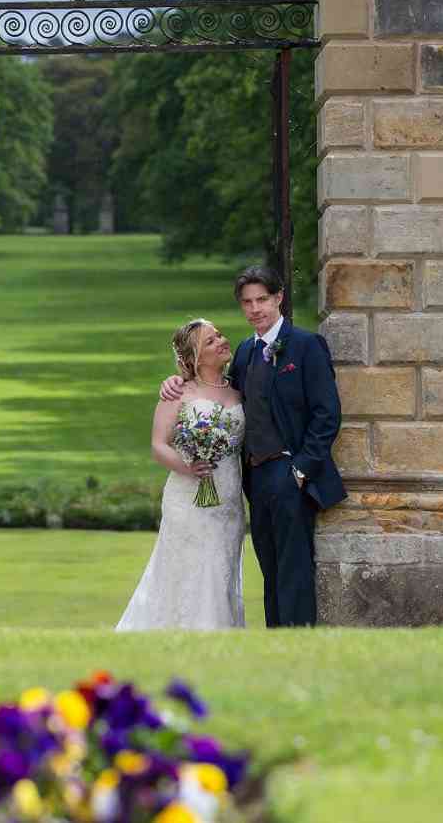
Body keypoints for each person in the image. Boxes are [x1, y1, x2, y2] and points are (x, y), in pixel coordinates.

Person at [160, 266, 345, 627]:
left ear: (279, 298)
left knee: (293, 564)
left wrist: (301, 469)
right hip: (255, 477)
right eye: (247, 302)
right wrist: (175, 380)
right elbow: (213, 393)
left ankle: (298, 639)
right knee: (269, 563)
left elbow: (328, 413)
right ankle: (277, 637)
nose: (255, 308)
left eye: (262, 299)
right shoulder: (244, 352)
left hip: (290, 471)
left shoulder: (306, 346)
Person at [116, 319, 247, 631]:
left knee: (221, 569)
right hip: (188, 498)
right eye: (211, 341)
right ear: (195, 358)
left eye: (220, 335)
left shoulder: (240, 389)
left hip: (228, 498)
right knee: (187, 569)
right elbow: (158, 445)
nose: (222, 341)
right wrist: (190, 467)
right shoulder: (177, 393)